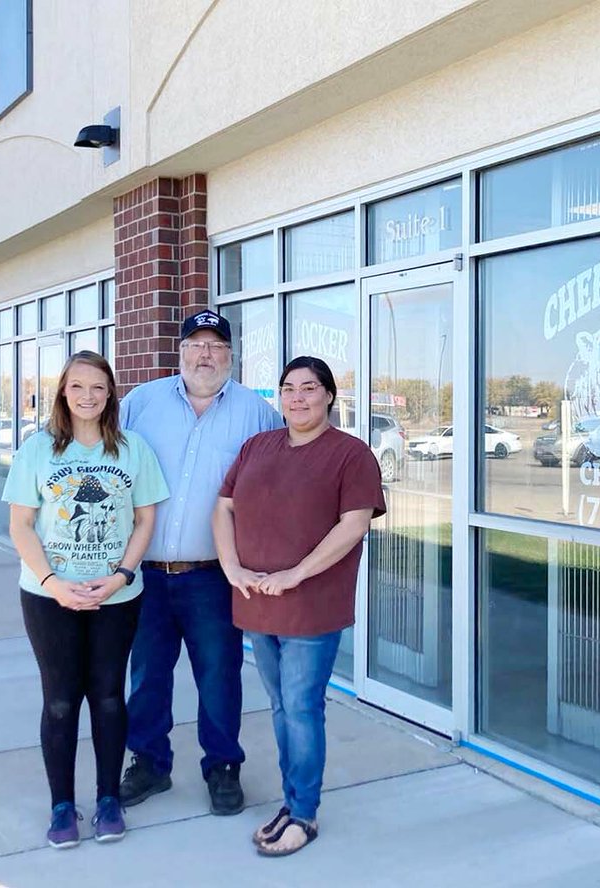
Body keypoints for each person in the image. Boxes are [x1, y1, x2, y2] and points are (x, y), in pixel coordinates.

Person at [213, 356, 386, 857]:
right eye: (288, 388)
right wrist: (232, 568)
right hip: (257, 603)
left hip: (310, 606)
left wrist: (295, 574)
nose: (297, 397)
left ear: (330, 395)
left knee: (303, 708)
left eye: (309, 388)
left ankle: (303, 813)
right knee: (282, 705)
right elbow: (223, 507)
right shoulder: (257, 446)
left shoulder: (351, 455)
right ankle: (291, 804)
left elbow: (354, 524)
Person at [118, 310, 282, 816]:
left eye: (215, 346)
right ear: (181, 351)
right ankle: (149, 763)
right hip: (145, 574)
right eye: (196, 344)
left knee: (219, 675)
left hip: (212, 576)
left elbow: (285, 477)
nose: (205, 354)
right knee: (146, 675)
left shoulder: (256, 413)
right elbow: (105, 460)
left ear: (230, 355)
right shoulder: (141, 403)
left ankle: (223, 767)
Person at [2, 350, 168, 848]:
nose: (88, 396)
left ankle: (108, 799)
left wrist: (120, 575)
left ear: (111, 392)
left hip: (116, 596)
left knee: (109, 696)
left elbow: (145, 520)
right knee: (59, 701)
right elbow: (21, 526)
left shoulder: (132, 449)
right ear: (63, 393)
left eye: (98, 387)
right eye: (78, 387)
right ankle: (61, 806)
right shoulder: (39, 450)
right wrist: (54, 583)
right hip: (49, 597)